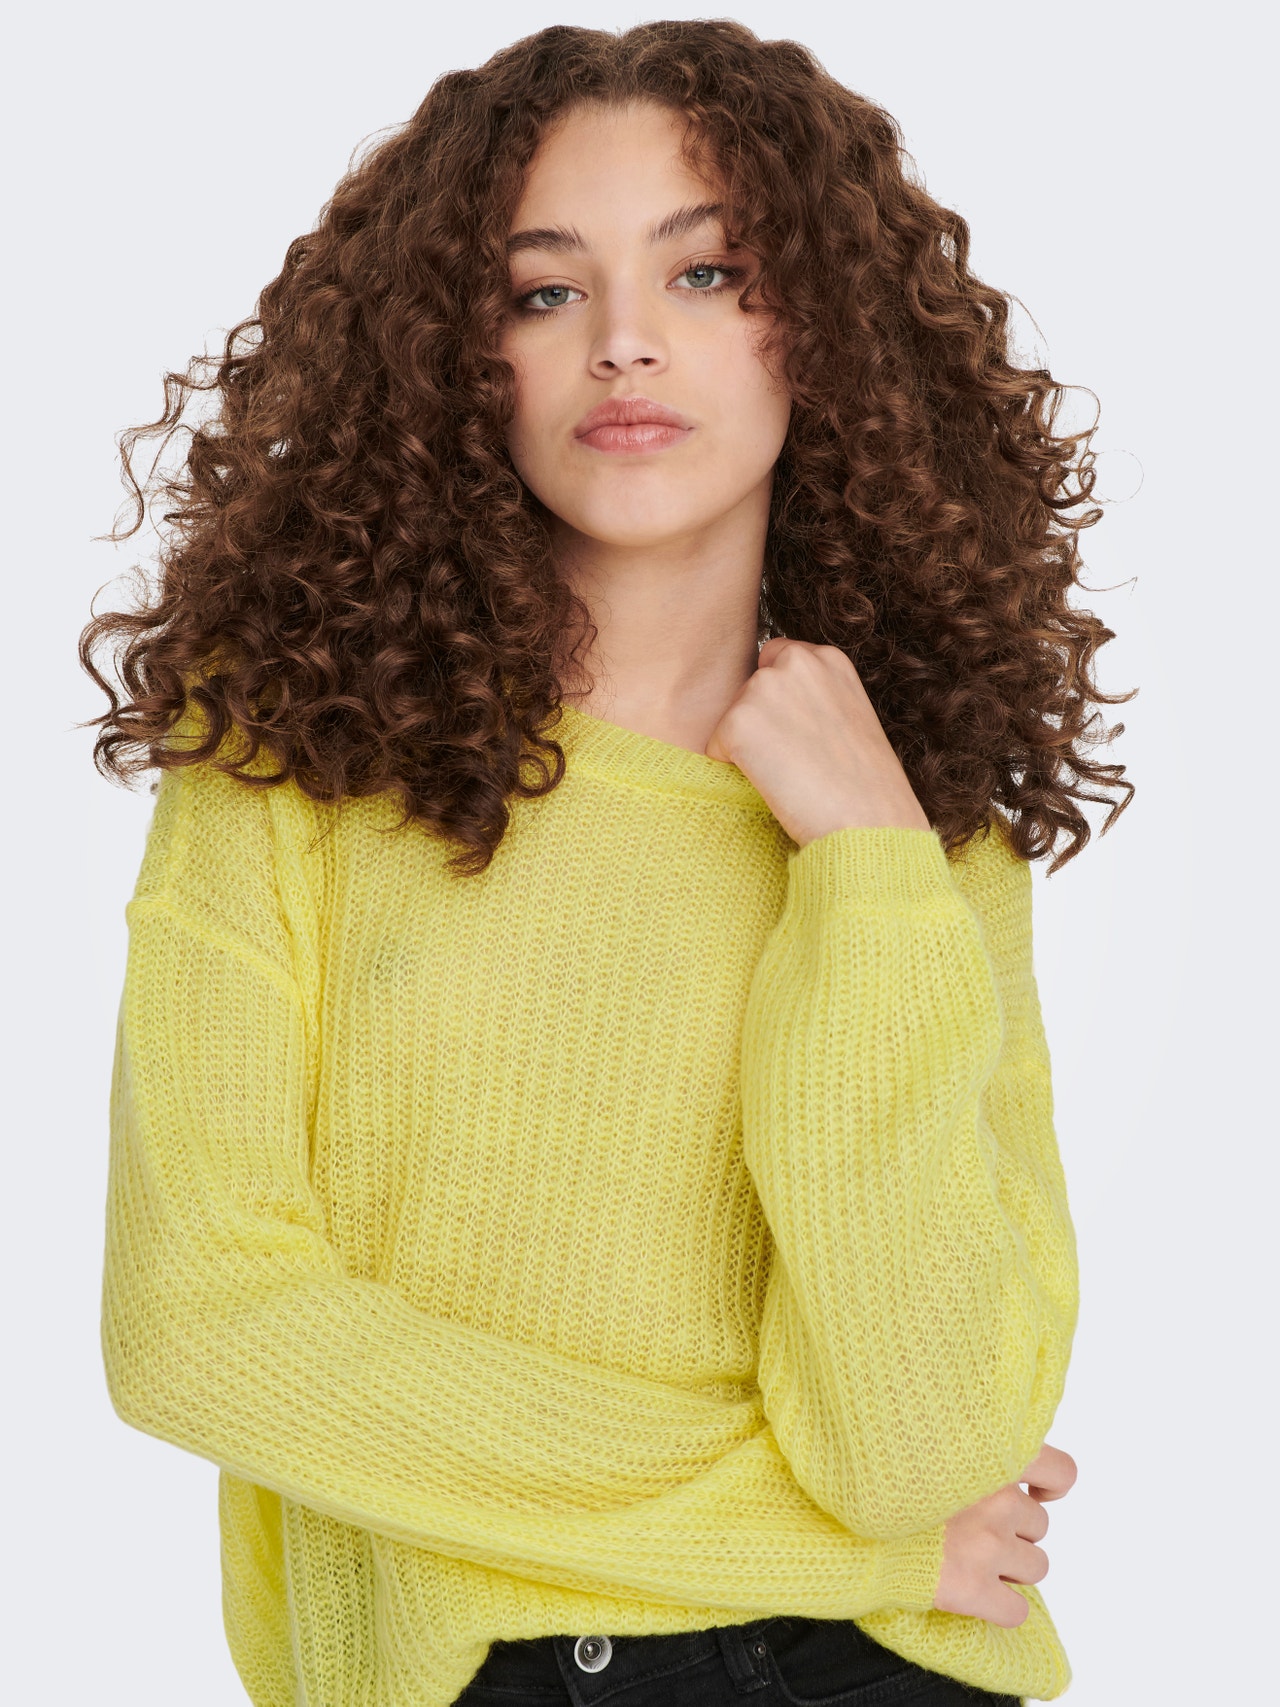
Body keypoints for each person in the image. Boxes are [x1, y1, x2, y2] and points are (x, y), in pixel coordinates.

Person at [80, 20, 1133, 1707]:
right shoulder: (292, 768)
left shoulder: (915, 831)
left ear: (825, 332)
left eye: (709, 273)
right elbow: (201, 1329)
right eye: (545, 290)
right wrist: (809, 1542)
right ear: (458, 352)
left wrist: (869, 873)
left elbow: (923, 1445)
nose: (626, 342)